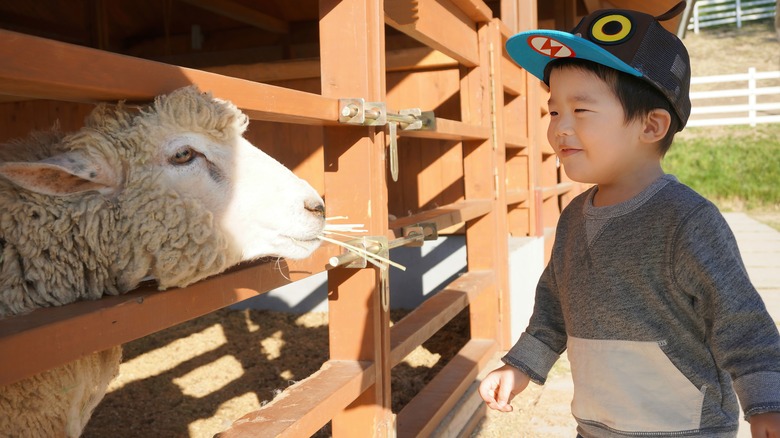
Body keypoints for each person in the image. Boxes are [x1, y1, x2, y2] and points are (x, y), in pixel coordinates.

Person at [478, 2, 780, 437]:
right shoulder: (574, 220)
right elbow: (551, 314)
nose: (559, 128)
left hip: (686, 428)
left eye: (580, 111)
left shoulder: (686, 220)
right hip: (597, 425)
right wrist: (520, 367)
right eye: (554, 111)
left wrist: (765, 405)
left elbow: (741, 324)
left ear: (652, 126)